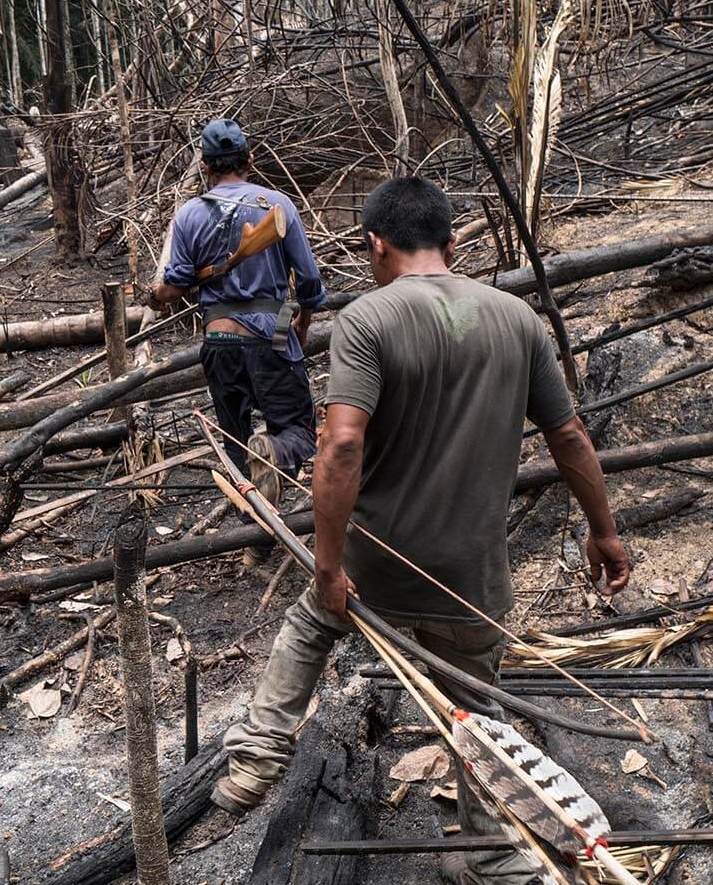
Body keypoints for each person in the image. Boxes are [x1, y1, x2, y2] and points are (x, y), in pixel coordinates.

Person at [213, 176, 633, 885]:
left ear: (376, 244)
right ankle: (494, 855)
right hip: (471, 578)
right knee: (475, 709)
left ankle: (256, 754)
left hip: (376, 568)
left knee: (311, 622)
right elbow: (568, 436)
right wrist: (604, 531)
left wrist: (325, 562)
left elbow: (341, 446)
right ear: (452, 239)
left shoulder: (368, 319)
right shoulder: (516, 318)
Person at [152, 118, 325, 506]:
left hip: (219, 337)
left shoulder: (188, 215)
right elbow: (310, 282)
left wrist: (157, 293)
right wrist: (304, 320)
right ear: (250, 160)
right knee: (296, 431)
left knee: (235, 443)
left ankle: (256, 539)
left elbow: (176, 284)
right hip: (274, 331)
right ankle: (275, 455)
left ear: (205, 165)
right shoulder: (277, 204)